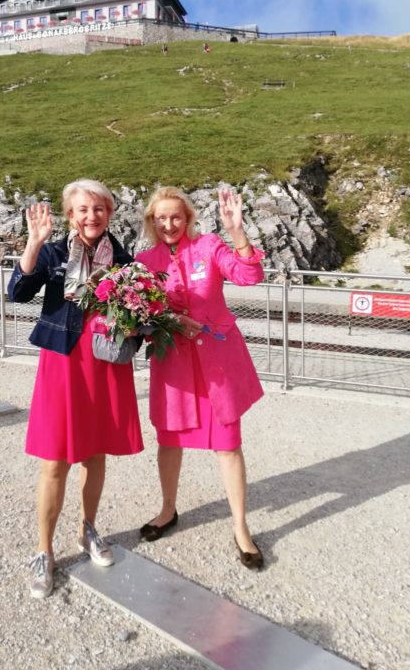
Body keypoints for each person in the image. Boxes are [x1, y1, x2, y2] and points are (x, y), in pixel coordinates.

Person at [8, 179, 144, 598]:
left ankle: (88, 529)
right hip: (64, 361)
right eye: (83, 209)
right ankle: (44, 550)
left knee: (96, 451)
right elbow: (18, 292)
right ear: (71, 215)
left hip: (104, 362)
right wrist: (33, 242)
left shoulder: (122, 257)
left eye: (100, 209)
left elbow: (139, 306)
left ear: (109, 214)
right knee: (55, 460)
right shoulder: (53, 251)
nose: (92, 216)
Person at [136, 186, 265, 569]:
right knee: (170, 439)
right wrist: (171, 319)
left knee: (227, 444)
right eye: (161, 218)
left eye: (176, 216)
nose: (169, 224)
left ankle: (241, 527)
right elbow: (141, 313)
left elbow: (248, 276)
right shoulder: (145, 260)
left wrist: (237, 233)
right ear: (152, 222)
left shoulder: (210, 246)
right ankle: (168, 510)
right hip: (173, 364)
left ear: (188, 218)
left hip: (217, 362)